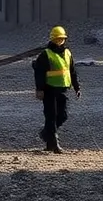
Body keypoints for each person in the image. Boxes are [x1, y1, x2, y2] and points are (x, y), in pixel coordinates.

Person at [32, 25, 80, 153]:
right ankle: (54, 145)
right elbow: (39, 73)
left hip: (62, 89)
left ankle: (46, 134)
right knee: (51, 117)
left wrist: (77, 87)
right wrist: (39, 89)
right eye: (57, 39)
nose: (60, 41)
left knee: (63, 115)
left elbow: (72, 71)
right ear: (52, 39)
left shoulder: (68, 53)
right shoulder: (45, 55)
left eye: (62, 39)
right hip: (49, 90)